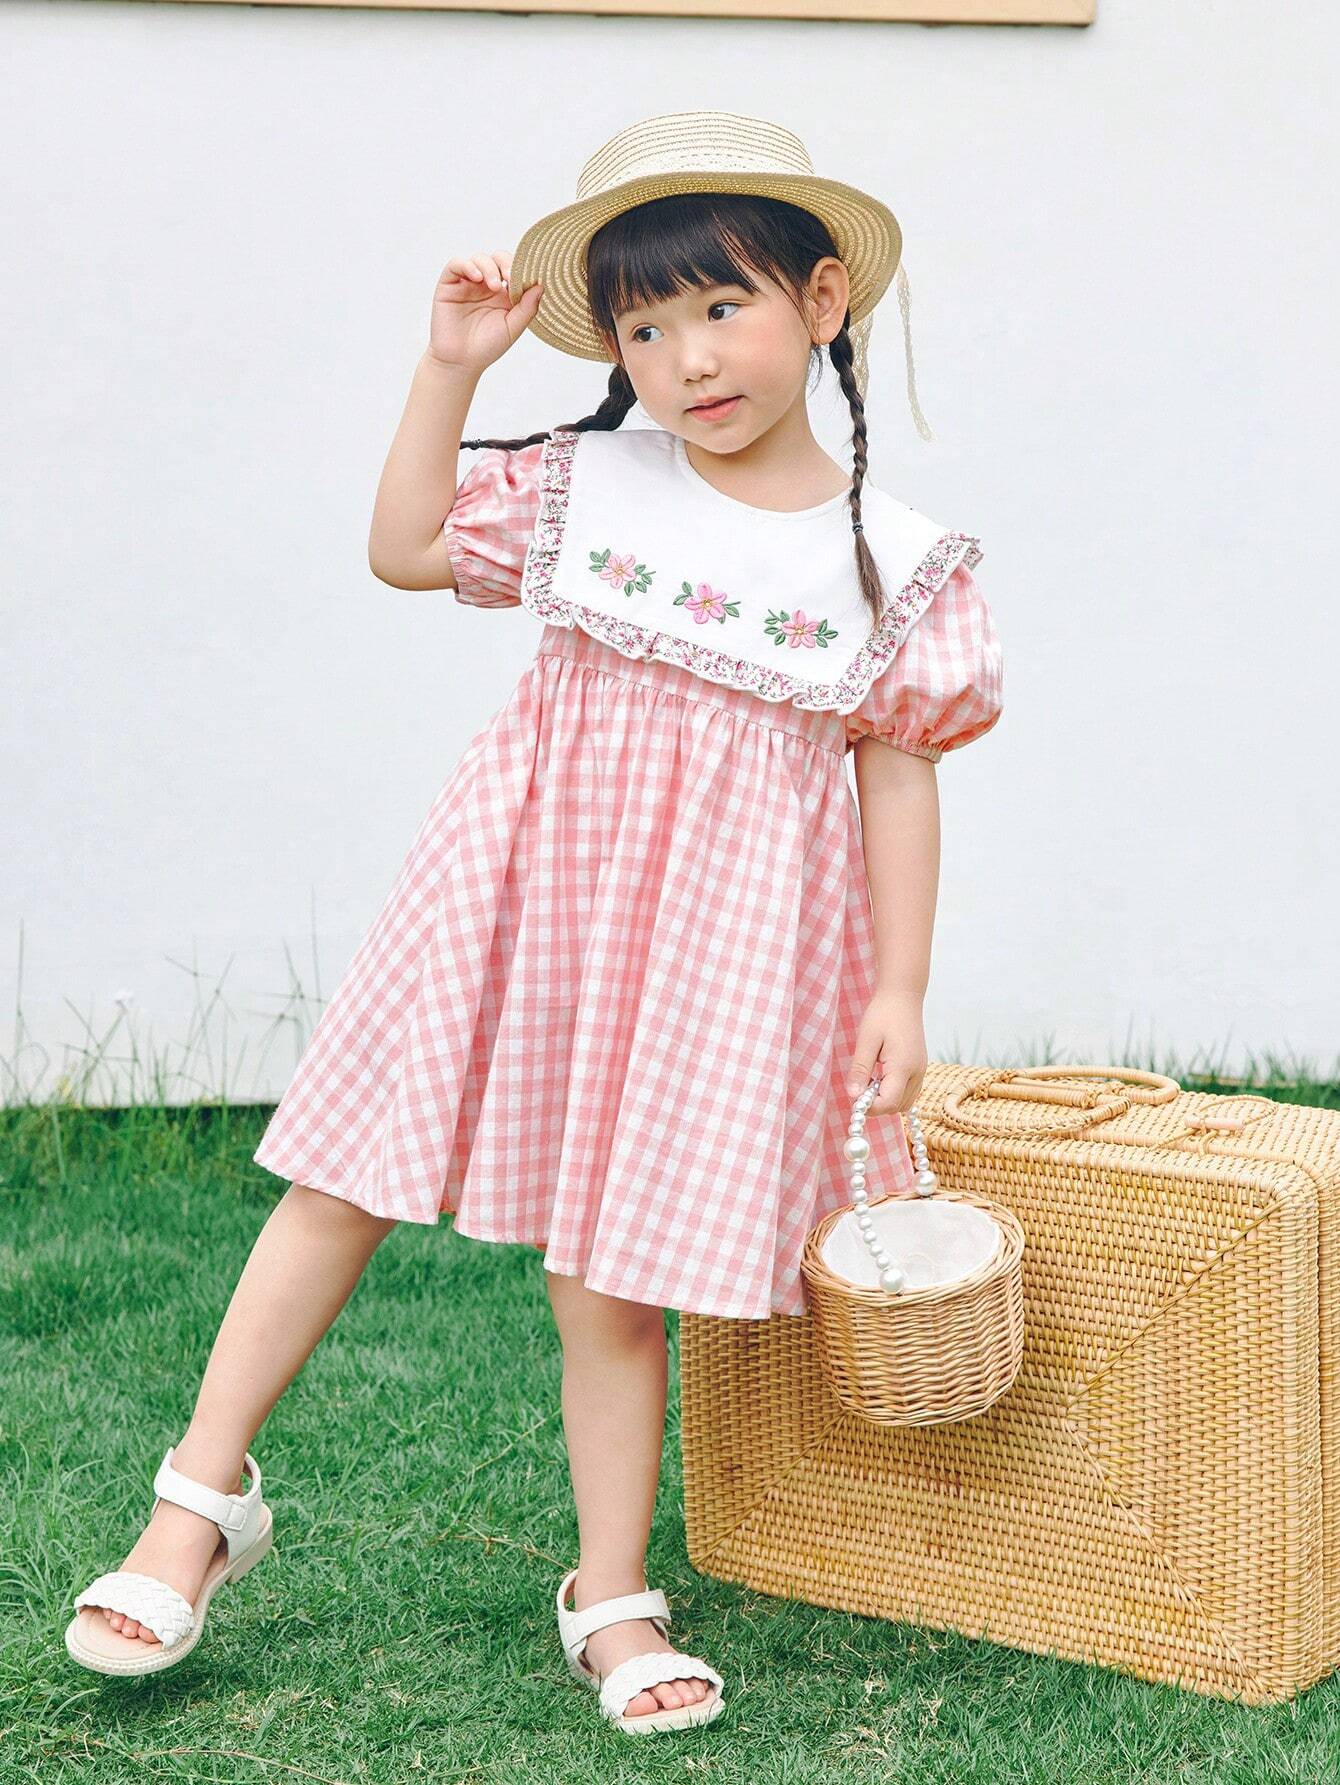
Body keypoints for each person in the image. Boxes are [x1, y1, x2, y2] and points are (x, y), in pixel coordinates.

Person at [65, 110, 1003, 1735]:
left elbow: (900, 777)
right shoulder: (588, 486)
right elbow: (406, 548)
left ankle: (612, 1592)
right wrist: (450, 371)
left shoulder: (891, 565)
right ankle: (195, 1504)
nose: (685, 358)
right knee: (343, 1176)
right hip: (514, 891)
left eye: (723, 306)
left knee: (615, 1275)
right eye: (644, 327)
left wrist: (901, 984)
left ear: (823, 298)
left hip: (715, 949)